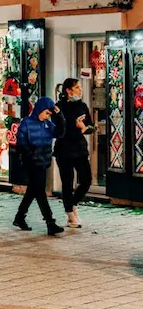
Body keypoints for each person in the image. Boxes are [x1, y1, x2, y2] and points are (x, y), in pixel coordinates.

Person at [13, 97, 66, 236]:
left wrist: (59, 115)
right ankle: (50, 222)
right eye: (46, 113)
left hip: (43, 161)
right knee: (40, 192)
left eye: (49, 114)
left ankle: (19, 217)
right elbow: (21, 143)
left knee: (33, 191)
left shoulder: (47, 124)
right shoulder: (26, 123)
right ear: (39, 110)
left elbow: (60, 132)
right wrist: (29, 155)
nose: (47, 116)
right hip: (31, 162)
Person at [54, 78, 94, 228]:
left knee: (86, 180)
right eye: (77, 88)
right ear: (68, 91)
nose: (80, 90)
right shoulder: (59, 107)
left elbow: (90, 125)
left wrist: (84, 128)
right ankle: (69, 213)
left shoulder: (82, 106)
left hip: (80, 149)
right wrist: (72, 125)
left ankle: (74, 203)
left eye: (80, 87)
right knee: (67, 182)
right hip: (64, 150)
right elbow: (57, 128)